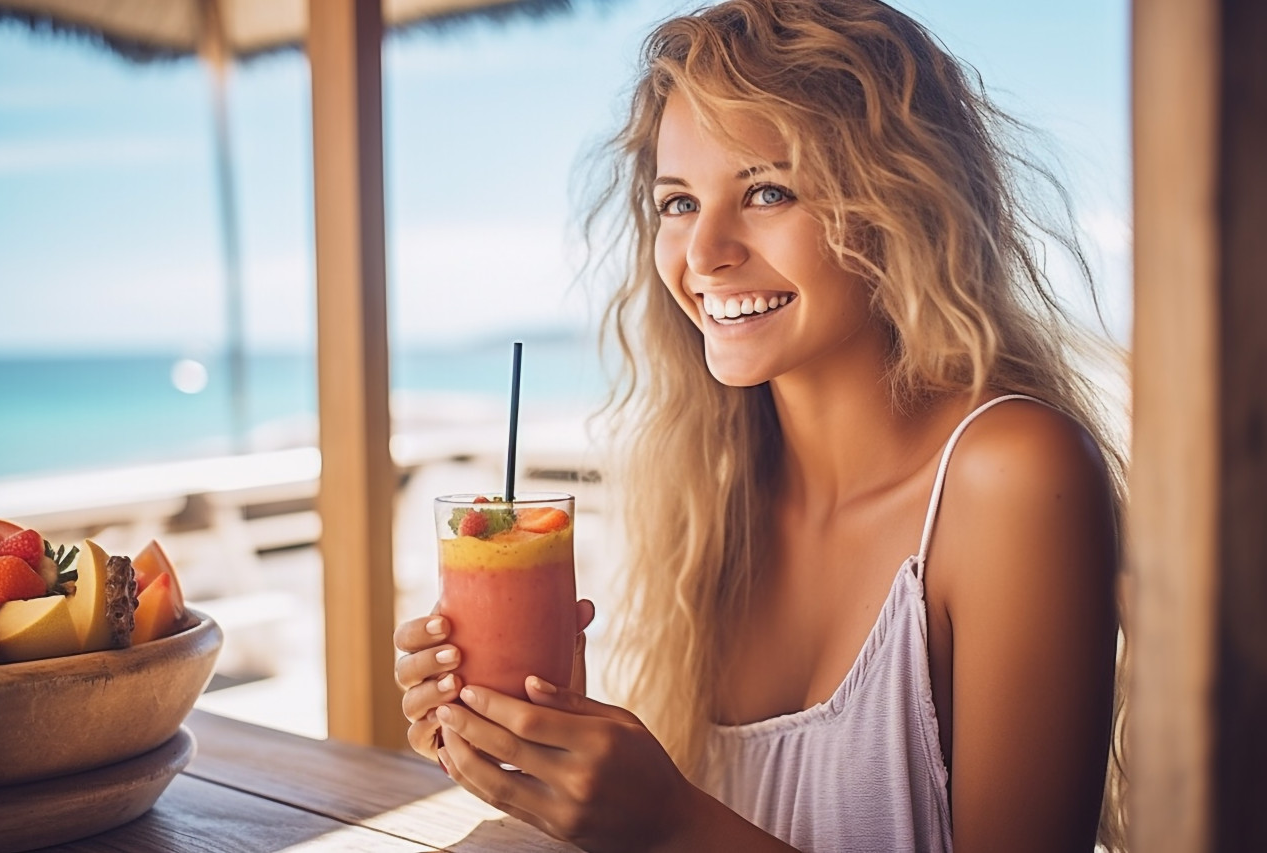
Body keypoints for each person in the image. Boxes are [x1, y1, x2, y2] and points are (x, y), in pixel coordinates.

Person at [394, 0, 1127, 850]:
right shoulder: (714, 496)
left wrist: (670, 822)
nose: (703, 252)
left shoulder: (1014, 476)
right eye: (677, 202)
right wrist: (543, 746)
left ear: (900, 201)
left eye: (767, 191)